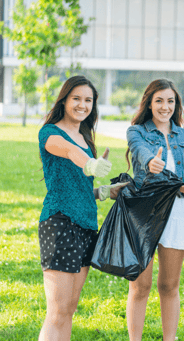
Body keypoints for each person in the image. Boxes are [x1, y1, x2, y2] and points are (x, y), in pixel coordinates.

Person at [38, 75, 126, 341]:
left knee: (69, 309)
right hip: (60, 221)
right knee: (57, 311)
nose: (82, 105)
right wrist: (89, 163)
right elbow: (67, 151)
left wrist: (102, 192)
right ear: (64, 100)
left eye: (88, 100)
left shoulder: (86, 139)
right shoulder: (50, 133)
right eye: (76, 98)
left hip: (87, 225)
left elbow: (78, 186)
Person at [125, 79, 184, 341]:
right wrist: (151, 162)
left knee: (169, 285)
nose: (165, 106)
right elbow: (140, 150)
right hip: (144, 214)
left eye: (170, 101)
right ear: (149, 103)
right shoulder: (136, 131)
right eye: (159, 100)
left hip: (176, 213)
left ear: (176, 104)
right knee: (140, 285)